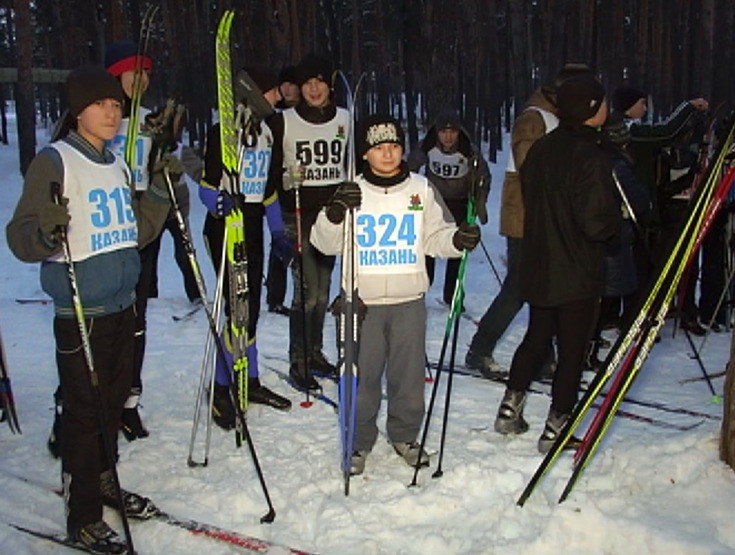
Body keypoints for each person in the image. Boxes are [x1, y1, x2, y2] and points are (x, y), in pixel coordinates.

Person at [6, 66, 169, 553]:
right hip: (82, 311)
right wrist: (45, 231)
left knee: (111, 402)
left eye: (116, 106)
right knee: (83, 411)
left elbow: (134, 232)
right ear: (79, 112)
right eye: (102, 105)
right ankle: (83, 516)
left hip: (120, 304)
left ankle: (103, 479)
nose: (112, 113)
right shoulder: (54, 162)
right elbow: (21, 236)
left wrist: (159, 192)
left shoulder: (116, 163)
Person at [310, 114, 481, 475]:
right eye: (378, 148)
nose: (387, 154)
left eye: (394, 146)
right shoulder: (351, 189)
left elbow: (435, 237)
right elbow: (322, 243)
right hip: (363, 303)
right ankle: (357, 442)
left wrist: (457, 239)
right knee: (363, 377)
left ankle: (404, 434)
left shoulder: (420, 188)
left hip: (408, 301)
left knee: (408, 376)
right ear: (366, 154)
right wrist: (335, 212)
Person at [492, 73, 621, 454]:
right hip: (575, 268)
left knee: (537, 336)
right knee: (571, 349)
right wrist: (617, 222)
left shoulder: (543, 149)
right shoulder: (591, 157)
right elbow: (596, 223)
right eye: (603, 103)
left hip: (541, 262)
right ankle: (557, 425)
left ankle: (509, 407)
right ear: (591, 110)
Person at [464, 63, 592, 378]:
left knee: (543, 288)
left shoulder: (554, 116)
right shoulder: (536, 118)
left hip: (543, 218)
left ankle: (543, 358)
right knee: (519, 287)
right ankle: (479, 350)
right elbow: (532, 171)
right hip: (526, 219)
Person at [199, 65, 294, 427]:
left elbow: (267, 191)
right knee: (235, 311)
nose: (276, 99)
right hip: (225, 229)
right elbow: (206, 186)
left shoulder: (268, 133)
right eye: (271, 92)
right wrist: (219, 204)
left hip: (252, 226)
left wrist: (279, 234)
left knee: (251, 310)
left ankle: (249, 380)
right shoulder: (220, 134)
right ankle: (221, 388)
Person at [267, 53, 350, 391]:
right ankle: (298, 360)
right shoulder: (284, 121)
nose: (314, 89)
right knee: (306, 293)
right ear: (298, 88)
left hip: (331, 216)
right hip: (297, 213)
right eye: (307, 83)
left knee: (323, 290)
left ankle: (314, 352)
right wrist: (288, 180)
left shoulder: (345, 118)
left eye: (319, 82)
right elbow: (269, 174)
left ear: (329, 85)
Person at [611, 85, 710, 333]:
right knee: (640, 268)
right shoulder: (629, 130)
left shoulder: (626, 129)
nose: (644, 108)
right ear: (629, 105)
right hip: (634, 209)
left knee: (640, 267)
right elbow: (667, 132)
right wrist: (688, 107)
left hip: (640, 205)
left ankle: (632, 316)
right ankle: (635, 319)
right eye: (641, 103)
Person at [585, 114, 651, 368]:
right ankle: (587, 351)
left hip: (602, 234)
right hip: (611, 235)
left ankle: (587, 346)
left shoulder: (597, 158)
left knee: (601, 298)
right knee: (602, 298)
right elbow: (637, 199)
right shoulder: (616, 164)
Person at [407, 111, 490, 305]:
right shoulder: (427, 145)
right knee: (428, 248)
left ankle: (452, 295)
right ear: (437, 132)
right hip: (433, 202)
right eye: (443, 132)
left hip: (459, 202)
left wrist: (480, 202)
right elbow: (410, 168)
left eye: (452, 132)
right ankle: (421, 291)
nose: (448, 137)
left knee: (457, 248)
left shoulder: (468, 149)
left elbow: (483, 177)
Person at [265, 65, 301, 316]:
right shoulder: (272, 118)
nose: (287, 90)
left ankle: (301, 296)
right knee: (279, 245)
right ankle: (275, 297)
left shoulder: (305, 117)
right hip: (275, 189)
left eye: (292, 84)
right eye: (283, 85)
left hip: (301, 188)